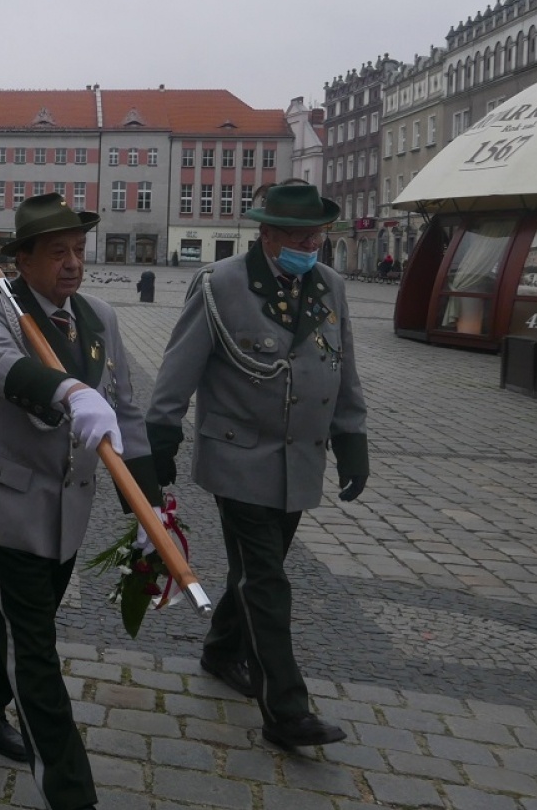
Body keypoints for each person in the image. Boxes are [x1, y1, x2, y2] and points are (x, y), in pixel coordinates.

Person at [0, 194, 161, 810]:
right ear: (23, 258)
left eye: (78, 250)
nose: (73, 264)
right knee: (35, 645)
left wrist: (148, 508)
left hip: (67, 508)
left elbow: (123, 407)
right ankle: (71, 792)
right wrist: (68, 390)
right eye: (57, 252)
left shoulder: (97, 316)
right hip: (7, 503)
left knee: (16, 618)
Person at [147, 182, 368, 751]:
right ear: (265, 233)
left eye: (315, 234)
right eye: (296, 234)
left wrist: (352, 436)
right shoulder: (221, 285)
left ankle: (221, 650)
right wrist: (162, 436)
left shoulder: (330, 286)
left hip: (300, 461)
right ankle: (287, 710)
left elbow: (341, 367)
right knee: (267, 578)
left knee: (253, 573)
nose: (308, 243)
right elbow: (179, 366)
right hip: (238, 456)